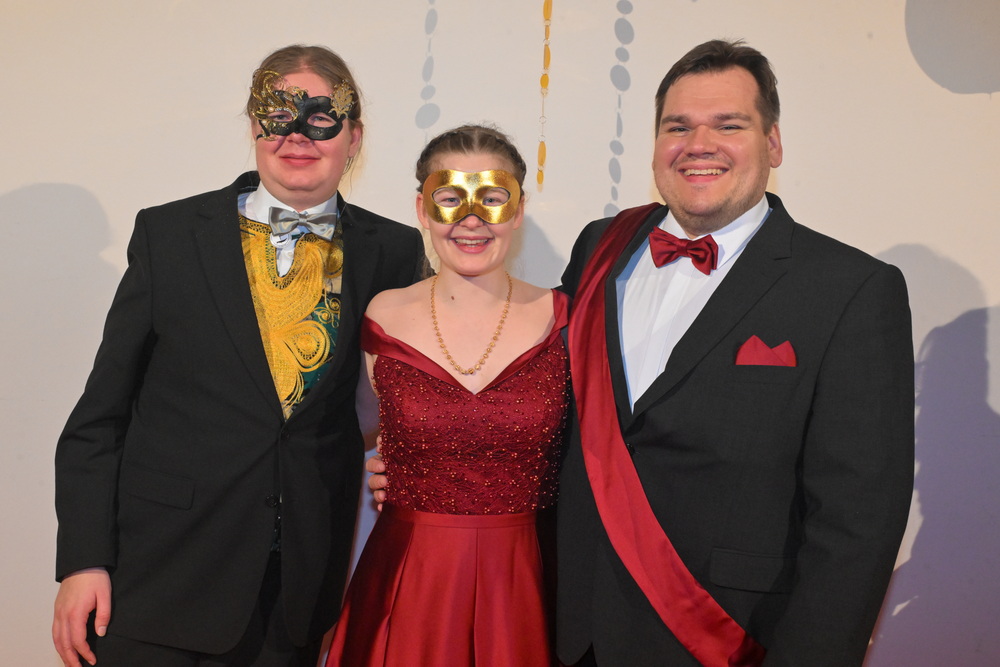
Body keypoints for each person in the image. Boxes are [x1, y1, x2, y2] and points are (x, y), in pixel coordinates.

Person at [51, 45, 427, 667]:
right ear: (254, 125)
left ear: (354, 138)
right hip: (157, 579)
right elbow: (100, 417)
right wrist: (83, 561)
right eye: (277, 115)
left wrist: (418, 465)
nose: (297, 136)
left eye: (321, 118)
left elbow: (412, 392)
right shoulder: (171, 235)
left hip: (296, 595)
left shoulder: (393, 250)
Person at [555, 39, 915, 666]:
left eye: (729, 125)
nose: (699, 144)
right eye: (678, 127)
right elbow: (551, 409)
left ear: (773, 144)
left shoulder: (851, 289)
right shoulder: (599, 247)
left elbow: (858, 524)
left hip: (724, 639)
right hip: (571, 629)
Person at [326, 124, 569, 667]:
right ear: (422, 208)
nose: (471, 220)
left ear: (519, 209)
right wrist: (381, 466)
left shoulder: (566, 318)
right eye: (451, 198)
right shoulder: (382, 314)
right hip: (410, 580)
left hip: (527, 581)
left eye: (493, 197)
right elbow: (347, 432)